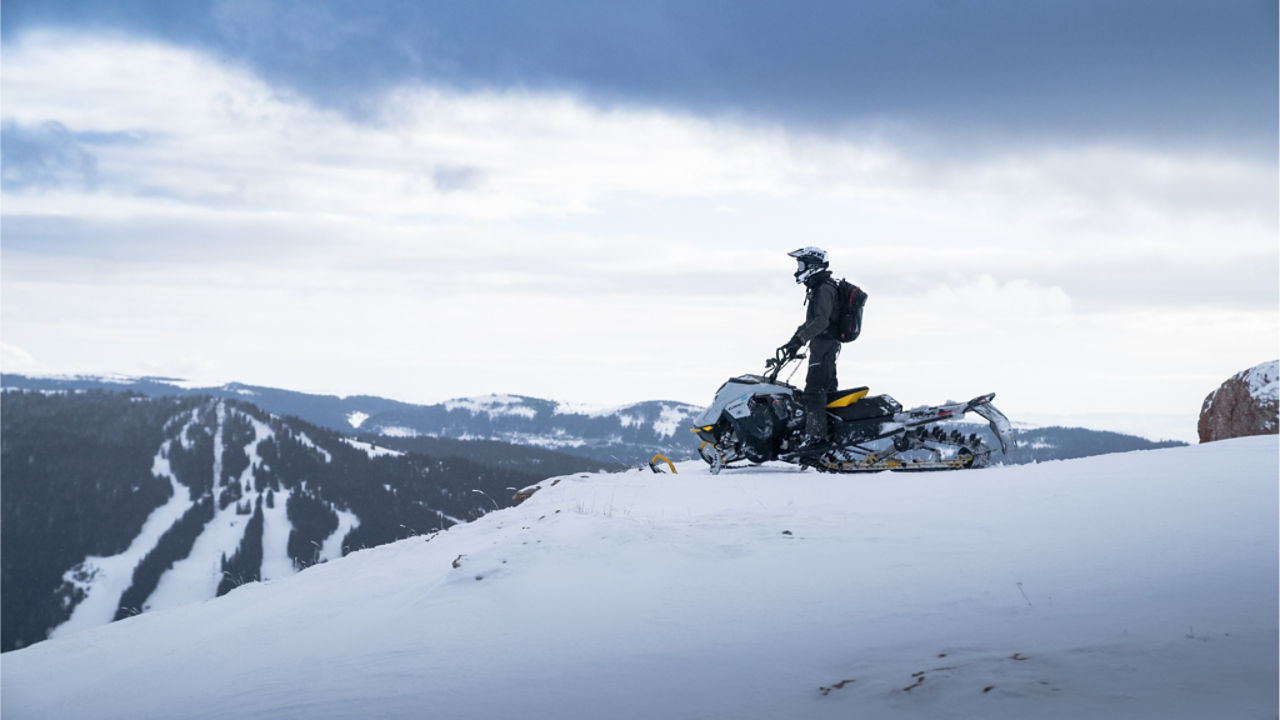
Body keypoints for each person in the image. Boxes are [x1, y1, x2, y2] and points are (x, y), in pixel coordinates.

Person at [779, 247, 841, 449]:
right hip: (822, 346)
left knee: (814, 392)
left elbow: (821, 321)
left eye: (801, 264)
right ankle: (830, 435)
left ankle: (816, 439)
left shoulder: (824, 288)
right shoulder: (820, 287)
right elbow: (812, 322)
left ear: (813, 266)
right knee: (827, 392)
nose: (798, 269)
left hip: (824, 347)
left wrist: (801, 339)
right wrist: (794, 340)